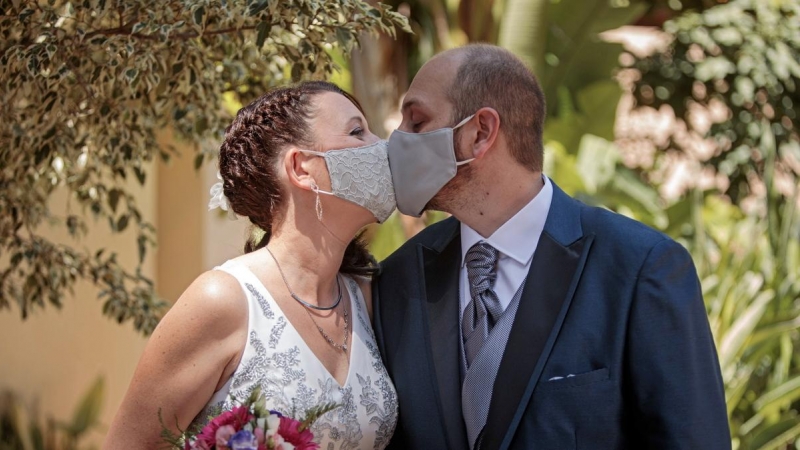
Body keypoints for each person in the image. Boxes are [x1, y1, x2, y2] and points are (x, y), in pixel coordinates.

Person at [375, 44, 730, 449]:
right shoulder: (399, 278)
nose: (397, 138)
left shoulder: (639, 270)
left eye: (416, 120)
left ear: (481, 132)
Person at [105, 81, 398, 449]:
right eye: (357, 132)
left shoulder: (365, 298)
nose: (380, 145)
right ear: (301, 167)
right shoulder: (221, 300)